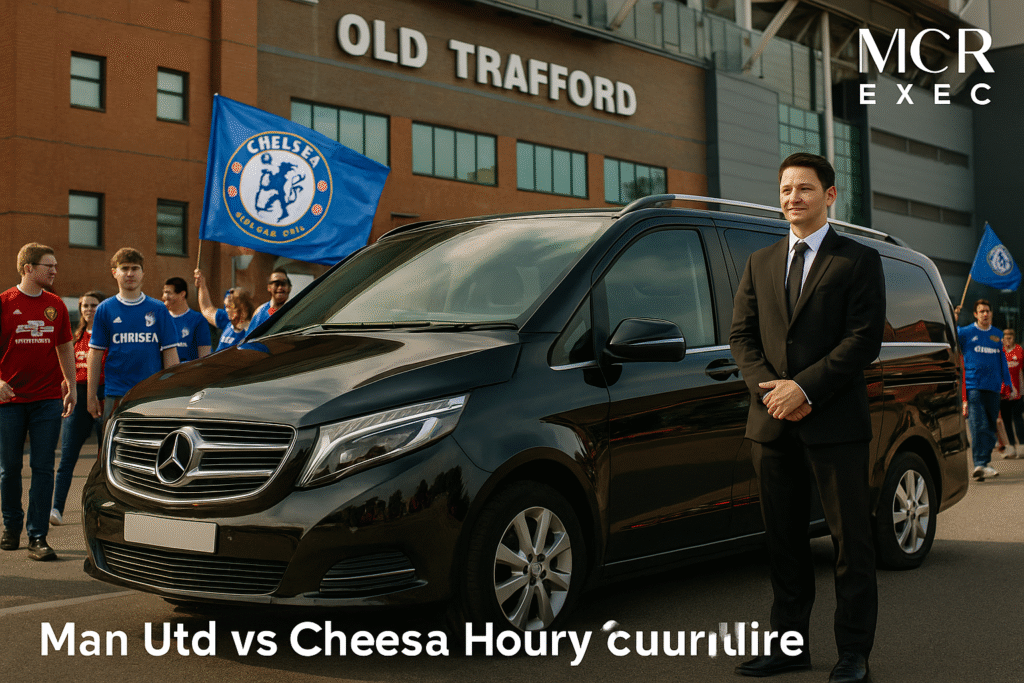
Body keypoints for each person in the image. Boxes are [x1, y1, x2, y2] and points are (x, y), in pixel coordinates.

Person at [730, 153, 886, 683]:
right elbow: (741, 336)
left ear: (830, 195)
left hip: (835, 423)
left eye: (804, 188)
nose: (792, 197)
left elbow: (864, 340)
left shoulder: (858, 260)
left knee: (850, 545)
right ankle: (789, 645)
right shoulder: (761, 262)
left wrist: (805, 388)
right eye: (785, 189)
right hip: (771, 424)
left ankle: (853, 653)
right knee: (785, 543)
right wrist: (769, 390)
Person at [0, 243, 77, 560]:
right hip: (10, 400)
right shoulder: (4, 303)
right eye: (49, 265)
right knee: (10, 468)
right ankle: (11, 528)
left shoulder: (56, 305)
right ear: (27, 268)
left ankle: (37, 537)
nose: (55, 271)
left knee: (43, 467)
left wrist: (71, 385)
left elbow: (65, 348)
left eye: (56, 265)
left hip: (47, 400)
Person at [87, 248, 179, 425]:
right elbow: (95, 354)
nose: (130, 273)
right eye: (125, 268)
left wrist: (171, 392)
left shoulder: (159, 309)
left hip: (151, 393)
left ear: (143, 273)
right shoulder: (105, 309)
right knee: (114, 446)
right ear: (114, 273)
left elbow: (170, 353)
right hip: (116, 392)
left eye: (135, 268)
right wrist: (91, 397)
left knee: (149, 445)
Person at [50, 291, 106, 526]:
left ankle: (101, 511)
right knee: (67, 457)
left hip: (103, 395)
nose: (88, 309)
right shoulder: (76, 337)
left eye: (94, 305)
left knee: (104, 460)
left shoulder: (108, 336)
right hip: (79, 396)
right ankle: (56, 508)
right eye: (85, 305)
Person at [956, 300, 1011, 479]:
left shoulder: (997, 334)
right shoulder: (966, 332)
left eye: (987, 311)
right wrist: (953, 319)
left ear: (991, 313)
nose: (985, 314)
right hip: (974, 386)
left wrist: (1008, 383)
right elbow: (950, 335)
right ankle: (979, 463)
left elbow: (1002, 359)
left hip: (993, 387)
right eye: (981, 311)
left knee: (990, 426)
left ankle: (984, 462)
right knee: (977, 424)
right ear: (975, 314)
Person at [194, 270, 255, 351]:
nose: (226, 310)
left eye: (230, 306)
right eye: (226, 306)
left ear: (243, 307)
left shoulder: (252, 330)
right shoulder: (228, 319)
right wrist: (202, 286)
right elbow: (206, 308)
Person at [162, 276, 211, 362]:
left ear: (182, 294)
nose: (164, 296)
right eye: (164, 293)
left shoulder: (198, 320)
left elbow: (205, 356)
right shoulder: (162, 319)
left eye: (168, 293)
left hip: (187, 373)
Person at [999, 328, 1024, 459]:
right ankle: (1011, 448)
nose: (1008, 340)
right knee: (1006, 420)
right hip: (1003, 393)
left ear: (1014, 338)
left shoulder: (1019, 350)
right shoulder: (1000, 351)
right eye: (1006, 337)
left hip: (1018, 393)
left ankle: (1022, 447)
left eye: (1010, 337)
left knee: (1018, 419)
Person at [246, 268, 292, 335]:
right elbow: (249, 341)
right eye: (276, 284)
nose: (280, 287)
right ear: (269, 287)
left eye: (283, 284)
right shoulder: (260, 313)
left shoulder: (294, 310)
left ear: (289, 288)